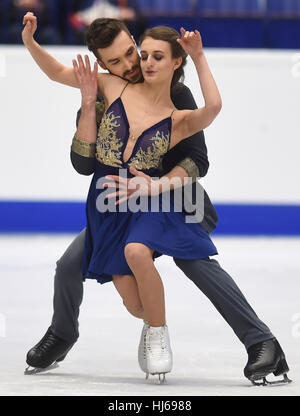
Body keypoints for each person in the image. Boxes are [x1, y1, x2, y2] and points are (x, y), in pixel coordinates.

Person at [22, 13, 291, 386]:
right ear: (102, 64)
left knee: (195, 263)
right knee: (70, 264)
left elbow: (198, 161)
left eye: (132, 53)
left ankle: (261, 341)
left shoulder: (174, 92)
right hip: (118, 205)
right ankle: (63, 334)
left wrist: (155, 186)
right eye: (117, 61)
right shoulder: (104, 91)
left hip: (175, 200)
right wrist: (40, 51)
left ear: (136, 41)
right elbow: (84, 165)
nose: (133, 64)